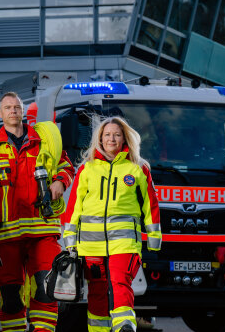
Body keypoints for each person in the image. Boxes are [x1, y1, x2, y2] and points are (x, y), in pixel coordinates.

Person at [0, 92, 75, 332]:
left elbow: (65, 165)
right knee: (11, 296)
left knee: (46, 288)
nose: (13, 111)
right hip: (5, 235)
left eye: (17, 107)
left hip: (42, 230)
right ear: (0, 114)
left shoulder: (43, 141)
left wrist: (60, 182)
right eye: (8, 108)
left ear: (22, 112)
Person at [62, 116, 162, 332]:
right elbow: (74, 207)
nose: (112, 139)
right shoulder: (86, 168)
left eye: (116, 134)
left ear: (124, 138)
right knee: (97, 290)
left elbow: (150, 205)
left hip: (125, 243)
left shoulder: (138, 167)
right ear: (100, 138)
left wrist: (154, 241)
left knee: (119, 281)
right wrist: (69, 242)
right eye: (107, 134)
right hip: (90, 244)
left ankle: (124, 326)